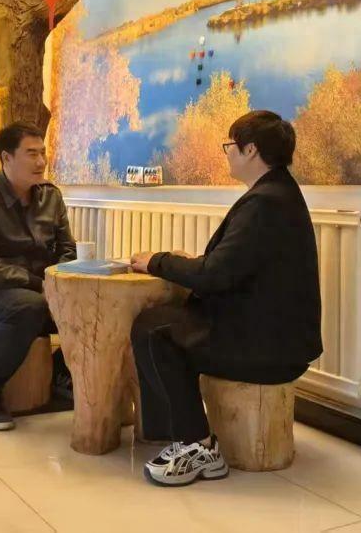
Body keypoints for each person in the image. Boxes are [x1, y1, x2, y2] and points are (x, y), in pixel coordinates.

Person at [128, 110, 322, 487]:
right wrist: (185, 263)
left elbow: (215, 275)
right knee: (160, 322)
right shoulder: (277, 192)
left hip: (269, 347)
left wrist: (157, 261)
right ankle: (179, 436)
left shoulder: (265, 202)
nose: (227, 152)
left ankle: (196, 446)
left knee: (154, 331)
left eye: (230, 145)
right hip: (268, 331)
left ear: (251, 150)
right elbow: (233, 266)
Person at [0, 122, 77, 431]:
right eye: (31, 154)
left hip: (42, 293)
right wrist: (40, 285)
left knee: (97, 302)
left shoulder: (51, 197)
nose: (41, 161)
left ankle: (61, 372)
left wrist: (61, 285)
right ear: (6, 158)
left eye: (43, 153)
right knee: (29, 306)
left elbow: (67, 251)